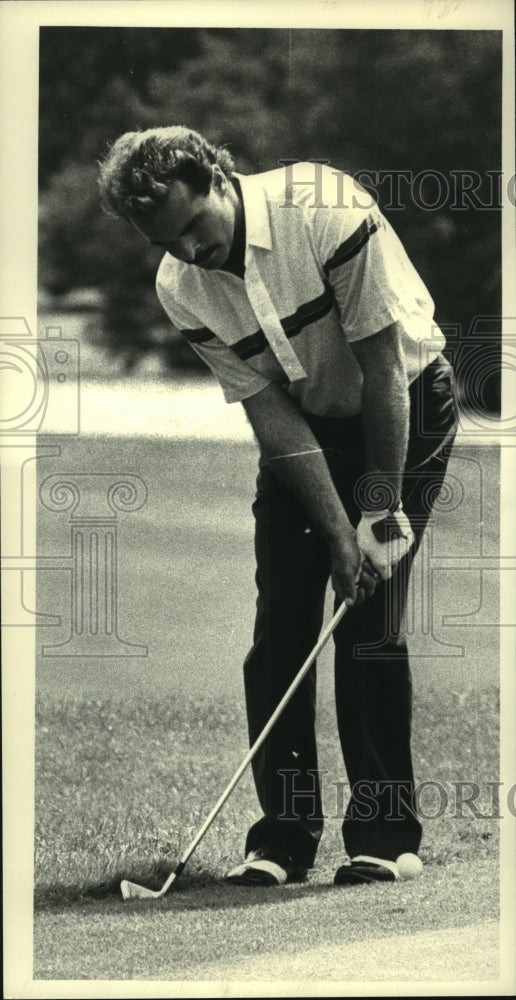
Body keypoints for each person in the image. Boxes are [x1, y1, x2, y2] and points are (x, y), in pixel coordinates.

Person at [98, 126, 458, 887]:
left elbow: (383, 369)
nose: (191, 251)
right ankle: (281, 842)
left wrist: (378, 511)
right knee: (280, 630)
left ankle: (385, 837)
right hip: (305, 422)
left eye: (195, 226)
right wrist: (335, 528)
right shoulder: (181, 286)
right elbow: (272, 415)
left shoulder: (322, 208)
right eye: (169, 242)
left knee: (366, 619)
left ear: (221, 179)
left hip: (405, 405)